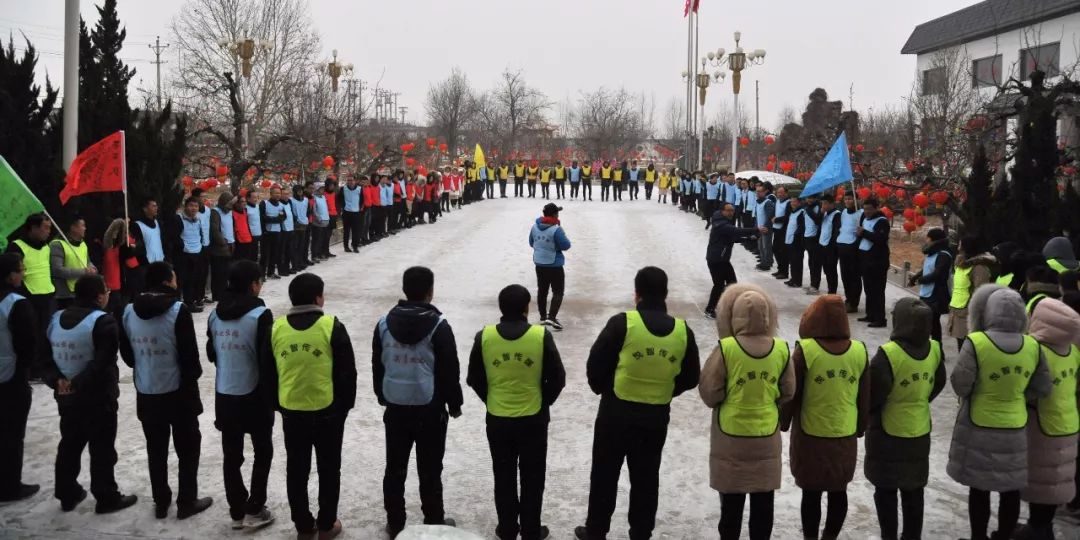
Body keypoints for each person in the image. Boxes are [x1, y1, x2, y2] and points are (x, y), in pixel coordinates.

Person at [574, 267, 700, 540]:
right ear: (666, 293)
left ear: (637, 294)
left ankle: (596, 530)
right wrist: (664, 389)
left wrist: (607, 389)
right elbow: (691, 377)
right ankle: (641, 532)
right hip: (655, 417)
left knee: (604, 474)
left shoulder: (622, 323)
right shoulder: (682, 331)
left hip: (614, 414)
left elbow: (595, 365)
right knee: (646, 478)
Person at [947, 285, 1051, 540]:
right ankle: (1004, 535)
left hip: (979, 426)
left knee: (979, 490)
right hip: (1016, 426)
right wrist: (1014, 396)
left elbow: (961, 383)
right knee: (1010, 489)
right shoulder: (1032, 346)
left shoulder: (977, 342)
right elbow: (1042, 387)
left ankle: (978, 537)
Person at [466, 284, 566, 540]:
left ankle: (508, 528)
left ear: (501, 307)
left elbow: (474, 377)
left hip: (498, 418)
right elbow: (557, 378)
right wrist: (543, 402)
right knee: (533, 477)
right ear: (526, 307)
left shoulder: (485, 336)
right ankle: (531, 529)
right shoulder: (540, 336)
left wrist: (491, 399)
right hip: (533, 418)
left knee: (504, 475)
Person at [698, 284, 794, 540]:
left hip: (731, 439)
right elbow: (788, 391)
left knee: (731, 506)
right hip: (766, 436)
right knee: (764, 505)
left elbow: (710, 392)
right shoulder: (781, 349)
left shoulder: (727, 348)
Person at [262, 272, 355, 539]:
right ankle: (326, 525)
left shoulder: (276, 328)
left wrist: (277, 405)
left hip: (292, 411)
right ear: (318, 298)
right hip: (328, 412)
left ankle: (303, 525)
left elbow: (268, 373)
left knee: (297, 468)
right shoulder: (331, 326)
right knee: (328, 469)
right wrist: (343, 408)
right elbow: (347, 373)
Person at [373, 266, 463, 538]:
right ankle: (433, 521)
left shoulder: (384, 323)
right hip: (430, 407)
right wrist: (454, 403)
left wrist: (382, 394)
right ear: (430, 291)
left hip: (396, 405)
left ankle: (396, 521)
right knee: (430, 468)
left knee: (395, 467)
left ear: (404, 289)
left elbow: (378, 363)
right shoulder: (438, 325)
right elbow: (449, 369)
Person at [118, 261, 212, 520]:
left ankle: (161, 501)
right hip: (178, 390)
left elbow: (127, 354)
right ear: (168, 281)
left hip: (147, 390)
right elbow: (189, 357)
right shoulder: (178, 310)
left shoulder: (127, 311)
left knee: (155, 448)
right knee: (188, 447)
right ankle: (186, 501)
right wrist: (192, 381)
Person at [41, 274, 138, 514]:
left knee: (70, 444)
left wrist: (58, 381)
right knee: (102, 447)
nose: (108, 295)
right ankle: (106, 496)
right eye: (106, 291)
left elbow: (43, 358)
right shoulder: (103, 322)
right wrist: (77, 382)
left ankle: (67, 492)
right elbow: (102, 362)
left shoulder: (55, 318)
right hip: (98, 397)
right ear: (99, 296)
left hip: (66, 397)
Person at [780, 295, 869, 540]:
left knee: (811, 492)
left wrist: (784, 421)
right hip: (845, 433)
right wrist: (861, 426)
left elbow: (792, 393)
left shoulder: (805, 351)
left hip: (811, 435)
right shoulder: (859, 351)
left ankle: (811, 537)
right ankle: (830, 536)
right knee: (839, 491)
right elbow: (864, 395)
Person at [864, 298, 945, 540]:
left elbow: (874, 394)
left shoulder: (888, 355)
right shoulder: (935, 348)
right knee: (914, 491)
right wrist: (917, 400)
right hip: (919, 429)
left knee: (886, 491)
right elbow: (938, 383)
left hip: (888, 432)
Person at [207, 260, 275, 531]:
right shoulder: (261, 315)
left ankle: (237, 510)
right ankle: (255, 507)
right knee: (262, 450)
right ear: (252, 285)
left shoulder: (215, 314)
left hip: (225, 393)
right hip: (255, 393)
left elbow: (212, 353)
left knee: (231, 455)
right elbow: (266, 360)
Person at [1014, 299, 1080, 539]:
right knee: (1055, 482)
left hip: (1042, 425)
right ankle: (1043, 526)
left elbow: (1028, 388)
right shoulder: (1072, 351)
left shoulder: (1036, 351)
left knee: (1040, 481)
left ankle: (1038, 529)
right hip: (1068, 424)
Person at [0, 254, 39, 502]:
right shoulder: (15, 303)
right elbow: (28, 344)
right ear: (10, 275)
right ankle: (9, 486)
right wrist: (25, 370)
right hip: (10, 375)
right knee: (12, 433)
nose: (23, 274)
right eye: (21, 270)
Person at [704, 203, 759, 319]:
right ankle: (710, 309)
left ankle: (729, 307)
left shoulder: (723, 222)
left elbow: (732, 237)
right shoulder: (721, 224)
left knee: (732, 283)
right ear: (722, 211)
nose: (731, 213)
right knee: (719, 285)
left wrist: (748, 238)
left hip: (722, 259)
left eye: (732, 211)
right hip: (716, 259)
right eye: (728, 210)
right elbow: (736, 231)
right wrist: (756, 230)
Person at [8, 213, 57, 343]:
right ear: (34, 228)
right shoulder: (17, 246)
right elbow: (12, 277)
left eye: (50, 227)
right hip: (29, 299)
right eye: (45, 227)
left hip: (48, 298)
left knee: (48, 337)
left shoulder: (46, 247)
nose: (48, 231)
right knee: (32, 338)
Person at [529, 203, 572, 330]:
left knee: (542, 290)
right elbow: (566, 245)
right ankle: (551, 317)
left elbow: (531, 242)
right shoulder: (556, 229)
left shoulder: (534, 227)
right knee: (558, 291)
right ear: (554, 214)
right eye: (557, 212)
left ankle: (543, 316)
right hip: (554, 265)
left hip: (539, 263)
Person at [907, 228, 953, 343]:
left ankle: (938, 349)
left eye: (928, 238)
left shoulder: (944, 255)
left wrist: (921, 280)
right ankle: (927, 345)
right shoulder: (932, 253)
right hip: (927, 292)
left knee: (933, 323)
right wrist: (915, 277)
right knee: (926, 321)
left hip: (936, 294)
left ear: (933, 239)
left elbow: (938, 274)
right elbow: (927, 269)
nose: (926, 240)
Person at [48, 216, 97, 311]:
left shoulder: (83, 243)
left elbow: (87, 262)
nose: (85, 228)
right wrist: (83, 272)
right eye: (82, 225)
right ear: (73, 228)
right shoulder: (57, 245)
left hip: (82, 290)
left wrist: (93, 268)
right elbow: (57, 270)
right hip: (65, 295)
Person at [856, 198, 890, 328]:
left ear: (876, 208)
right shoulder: (864, 219)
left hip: (877, 261)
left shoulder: (882, 222)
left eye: (869, 209)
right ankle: (870, 314)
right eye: (865, 209)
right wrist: (860, 233)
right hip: (865, 259)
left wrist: (864, 232)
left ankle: (880, 318)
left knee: (878, 291)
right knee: (868, 289)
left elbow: (880, 239)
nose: (867, 211)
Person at [129, 199, 168, 295]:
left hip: (160, 262)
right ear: (145, 209)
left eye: (156, 206)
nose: (156, 208)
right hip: (145, 265)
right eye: (153, 206)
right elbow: (137, 246)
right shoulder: (137, 225)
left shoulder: (158, 223)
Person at [176, 197, 207, 312]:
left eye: (196, 206)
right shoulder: (178, 218)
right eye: (191, 205)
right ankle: (178, 306)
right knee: (181, 280)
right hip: (183, 254)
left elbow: (200, 234)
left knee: (192, 280)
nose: (194, 208)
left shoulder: (198, 219)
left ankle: (190, 304)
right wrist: (183, 247)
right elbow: (175, 237)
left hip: (196, 252)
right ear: (186, 206)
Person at [836, 192, 863, 313]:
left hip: (853, 248)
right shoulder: (844, 212)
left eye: (850, 199)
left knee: (854, 277)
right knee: (845, 275)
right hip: (842, 246)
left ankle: (854, 302)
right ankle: (848, 299)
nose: (847, 201)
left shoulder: (861, 214)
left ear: (856, 200)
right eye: (846, 199)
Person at [208, 191, 236, 303]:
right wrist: (223, 242)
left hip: (229, 246)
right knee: (218, 273)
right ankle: (218, 295)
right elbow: (215, 230)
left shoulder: (229, 212)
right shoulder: (215, 212)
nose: (231, 205)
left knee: (226, 272)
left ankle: (225, 292)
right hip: (219, 248)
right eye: (229, 202)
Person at [815, 196, 841, 295]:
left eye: (825, 203)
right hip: (822, 244)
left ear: (831, 204)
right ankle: (830, 289)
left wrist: (832, 247)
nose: (823, 206)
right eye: (822, 203)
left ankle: (832, 291)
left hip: (830, 247)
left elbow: (836, 232)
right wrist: (821, 213)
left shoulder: (837, 214)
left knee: (831, 270)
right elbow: (817, 222)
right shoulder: (824, 213)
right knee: (826, 269)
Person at [260, 187, 287, 279]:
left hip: (277, 232)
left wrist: (271, 219)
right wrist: (275, 219)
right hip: (267, 233)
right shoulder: (264, 203)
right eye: (275, 193)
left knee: (274, 254)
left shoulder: (281, 205)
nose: (278, 195)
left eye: (279, 193)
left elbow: (283, 217)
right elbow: (263, 218)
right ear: (271, 194)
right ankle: (262, 274)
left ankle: (271, 273)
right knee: (264, 255)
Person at [782, 197, 808, 288]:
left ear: (799, 203)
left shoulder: (801, 212)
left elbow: (801, 227)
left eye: (794, 201)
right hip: (789, 239)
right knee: (792, 261)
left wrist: (796, 237)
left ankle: (797, 281)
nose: (792, 203)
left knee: (797, 262)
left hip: (796, 242)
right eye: (791, 202)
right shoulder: (791, 212)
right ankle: (793, 278)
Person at [769, 187, 791, 280]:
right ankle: (780, 269)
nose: (779, 194)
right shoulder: (777, 201)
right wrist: (772, 217)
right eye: (778, 192)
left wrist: (776, 219)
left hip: (783, 230)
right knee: (775, 249)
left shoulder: (788, 203)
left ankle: (784, 272)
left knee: (783, 252)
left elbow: (787, 217)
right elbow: (774, 212)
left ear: (786, 193)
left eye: (781, 193)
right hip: (776, 229)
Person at [754, 183, 776, 272]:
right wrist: (756, 227)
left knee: (766, 246)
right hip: (759, 227)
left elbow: (770, 216)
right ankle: (764, 261)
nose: (758, 193)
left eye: (760, 192)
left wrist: (766, 226)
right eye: (757, 192)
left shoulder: (768, 202)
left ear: (764, 192)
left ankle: (767, 263)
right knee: (761, 246)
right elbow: (757, 216)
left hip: (766, 228)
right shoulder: (758, 202)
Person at [232, 196, 255, 263]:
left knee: (247, 261)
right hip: (239, 241)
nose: (244, 203)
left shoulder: (245, 211)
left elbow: (247, 225)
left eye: (245, 201)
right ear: (237, 203)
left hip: (248, 239)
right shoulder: (232, 214)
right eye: (242, 201)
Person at [244, 190, 262, 264]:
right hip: (250, 236)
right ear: (248, 199)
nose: (256, 199)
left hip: (259, 234)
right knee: (250, 255)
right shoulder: (245, 208)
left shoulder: (258, 206)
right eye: (254, 197)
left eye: (257, 197)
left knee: (256, 255)